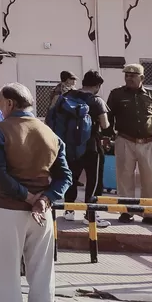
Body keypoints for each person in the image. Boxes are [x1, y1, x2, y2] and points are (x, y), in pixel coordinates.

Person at [0, 83, 72, 302]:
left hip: (7, 211)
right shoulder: (50, 134)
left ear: (10, 103)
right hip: (42, 214)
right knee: (43, 275)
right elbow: (65, 177)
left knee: (6, 276)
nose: (0, 108)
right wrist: (44, 199)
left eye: (1, 102)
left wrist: (27, 196)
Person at [106, 63, 152, 226]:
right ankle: (127, 212)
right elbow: (108, 117)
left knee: (150, 178)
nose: (128, 78)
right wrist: (106, 136)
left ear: (142, 78)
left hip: (148, 142)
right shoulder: (116, 94)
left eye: (132, 76)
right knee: (124, 177)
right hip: (124, 140)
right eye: (126, 75)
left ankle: (151, 214)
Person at [54, 70, 111, 226]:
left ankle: (69, 210)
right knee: (94, 179)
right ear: (97, 85)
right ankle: (91, 214)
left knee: (72, 177)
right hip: (92, 146)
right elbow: (105, 124)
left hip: (71, 145)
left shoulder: (69, 96)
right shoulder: (96, 101)